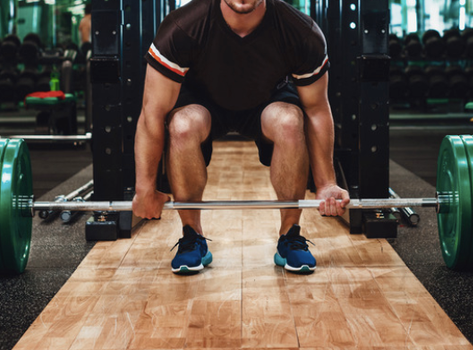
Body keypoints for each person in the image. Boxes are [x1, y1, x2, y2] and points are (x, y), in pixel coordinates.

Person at [133, 0, 350, 275]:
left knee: (290, 122)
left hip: (268, 101)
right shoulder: (182, 28)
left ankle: (290, 234)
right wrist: (145, 188)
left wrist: (327, 183)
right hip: (203, 103)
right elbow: (152, 113)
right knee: (182, 125)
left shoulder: (300, 31)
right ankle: (192, 236)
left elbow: (317, 110)